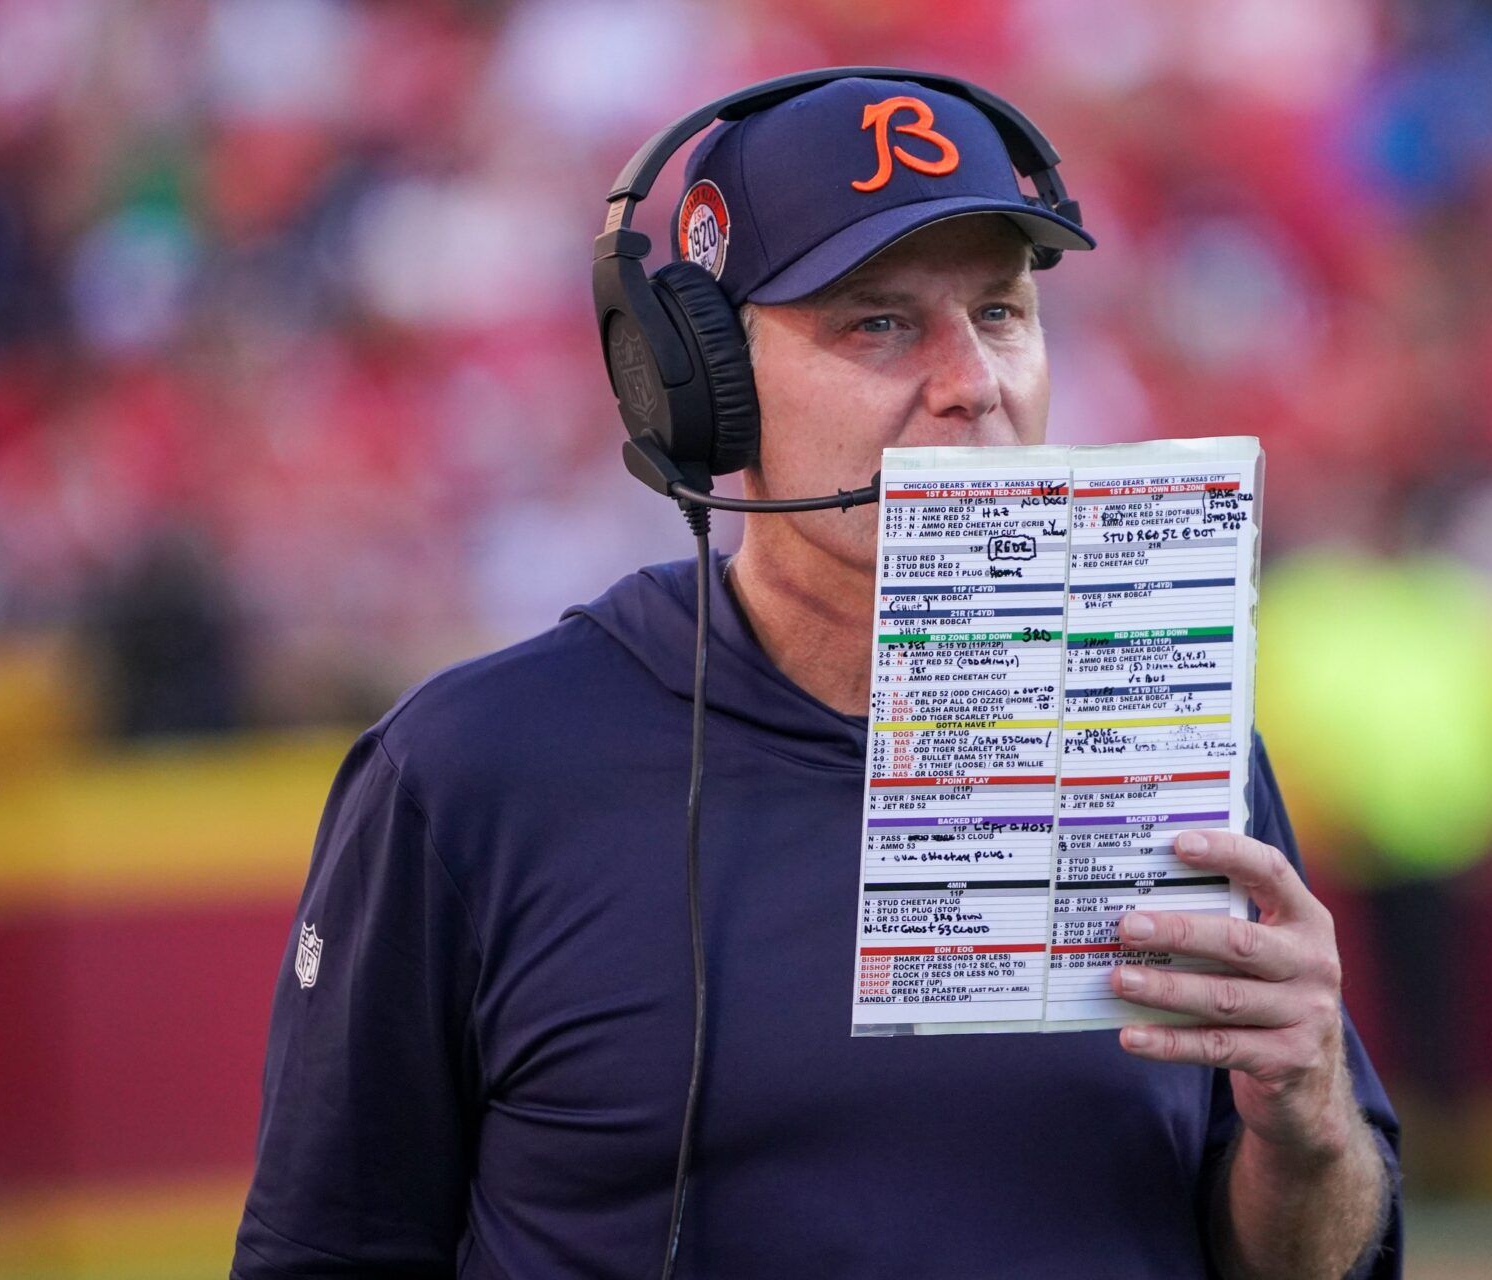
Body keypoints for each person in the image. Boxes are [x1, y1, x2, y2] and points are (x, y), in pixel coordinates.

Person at [232, 75, 1402, 1279]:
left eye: (1000, 314)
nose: (972, 382)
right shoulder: (471, 773)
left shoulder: (1161, 726)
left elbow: (1318, 1261)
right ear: (705, 390)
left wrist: (1308, 1125)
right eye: (877, 322)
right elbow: (325, 1250)